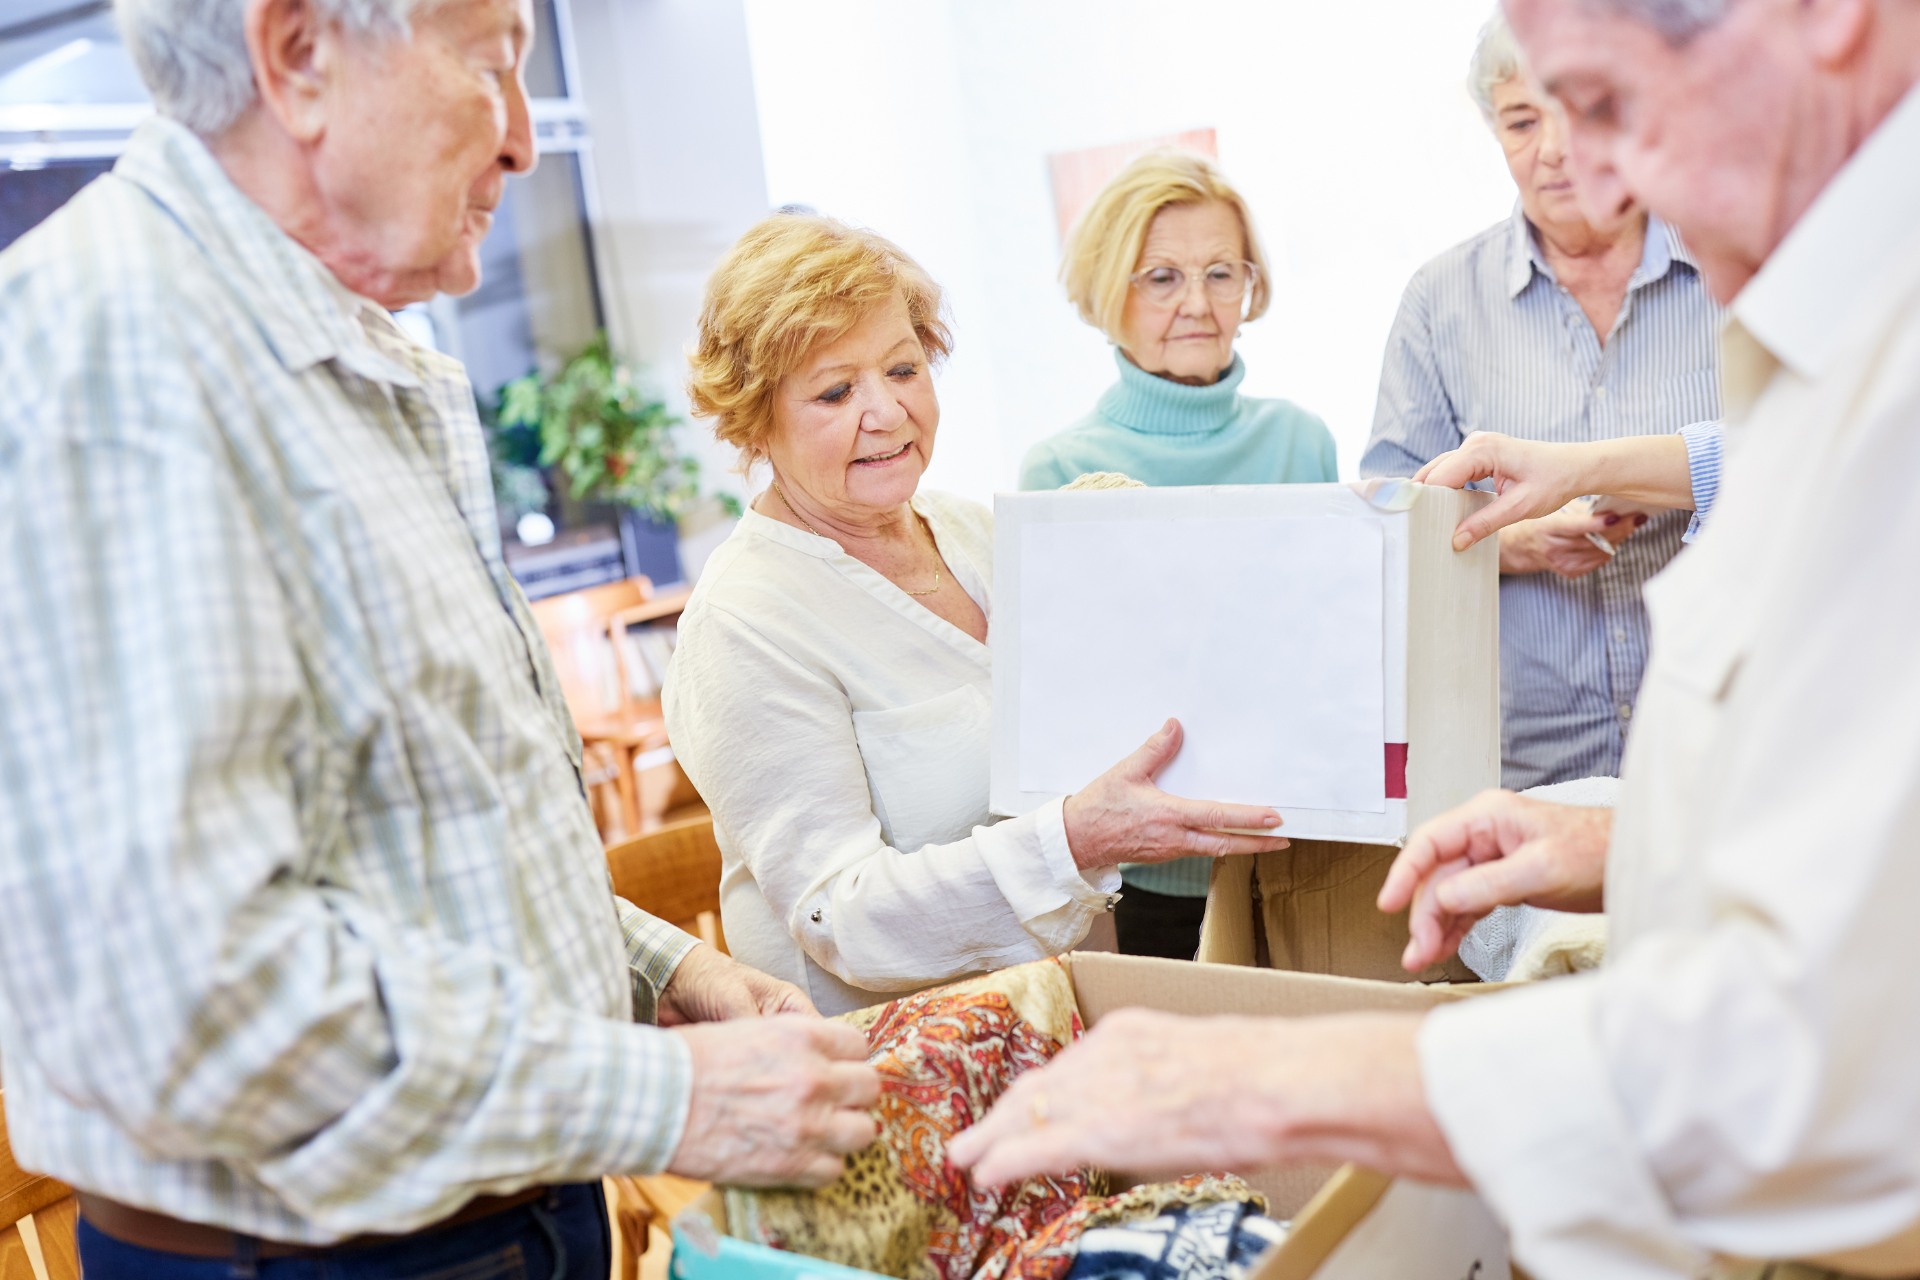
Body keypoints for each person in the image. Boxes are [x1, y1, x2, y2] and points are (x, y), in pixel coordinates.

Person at [952, 2, 1920, 1278]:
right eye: (1537, 117)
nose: (1600, 178)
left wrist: (1301, 1068)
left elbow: (1829, 1067)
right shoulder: (1824, 323)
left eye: (1610, 103)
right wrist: (1626, 841)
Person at [0, 2, 882, 1275]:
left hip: (501, 1210)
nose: (524, 140)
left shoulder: (351, 347)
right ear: (298, 56)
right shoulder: (105, 363)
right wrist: (666, 1096)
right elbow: (199, 1003)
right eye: (490, 63)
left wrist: (656, 966)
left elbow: (430, 832)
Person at [663, 214, 1291, 1018]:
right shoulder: (743, 621)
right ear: (755, 417)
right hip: (902, 1073)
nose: (887, 411)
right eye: (834, 390)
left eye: (903, 367)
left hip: (1075, 1025)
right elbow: (840, 917)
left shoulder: (979, 534)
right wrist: (1077, 842)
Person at [1361, 14, 1722, 794]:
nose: (1553, 150)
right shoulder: (1439, 302)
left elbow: (1801, 470)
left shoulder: (1732, 263)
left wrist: (1665, 482)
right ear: (1494, 132)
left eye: (1577, 112)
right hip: (1524, 769)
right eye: (1523, 121)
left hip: (1726, 749)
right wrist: (1517, 541)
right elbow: (1388, 533)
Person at [1017, 150, 1336, 960]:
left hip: (1302, 847)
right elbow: (1070, 705)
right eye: (1161, 277)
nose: (1198, 303)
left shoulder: (1302, 440)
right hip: (1146, 877)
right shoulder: (1057, 472)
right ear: (1107, 289)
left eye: (1221, 273)